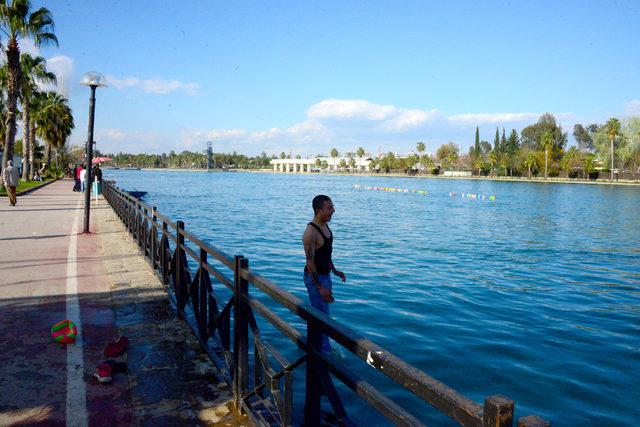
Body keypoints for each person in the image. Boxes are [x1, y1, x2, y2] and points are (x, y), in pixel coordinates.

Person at [302, 195, 346, 353]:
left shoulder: (325, 226)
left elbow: (326, 254)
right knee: (319, 316)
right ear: (318, 210)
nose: (333, 211)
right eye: (330, 208)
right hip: (315, 279)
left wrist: (334, 270)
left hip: (325, 276)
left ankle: (322, 347)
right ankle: (319, 351)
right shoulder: (311, 232)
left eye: (332, 207)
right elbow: (310, 262)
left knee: (324, 314)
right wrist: (320, 287)